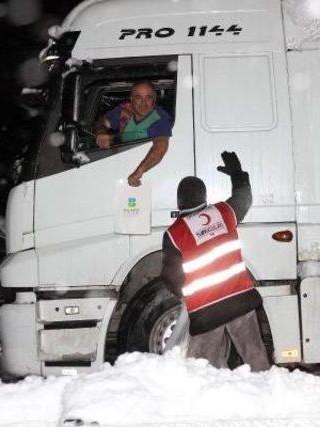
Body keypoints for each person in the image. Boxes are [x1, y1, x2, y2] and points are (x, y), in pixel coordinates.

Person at [160, 152, 270, 372]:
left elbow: (171, 277)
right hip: (240, 299)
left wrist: (186, 294)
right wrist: (237, 174)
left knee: (203, 369)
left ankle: (209, 402)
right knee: (256, 358)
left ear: (179, 201)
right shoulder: (223, 212)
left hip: (207, 310)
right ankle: (268, 393)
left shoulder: (174, 234)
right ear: (204, 197)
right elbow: (244, 197)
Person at [93, 80, 173, 186]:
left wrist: (139, 172)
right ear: (131, 99)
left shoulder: (160, 117)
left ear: (154, 99)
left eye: (148, 97)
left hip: (147, 172)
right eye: (138, 97)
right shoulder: (124, 111)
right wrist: (102, 133)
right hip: (119, 166)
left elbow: (160, 147)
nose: (143, 103)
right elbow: (102, 122)